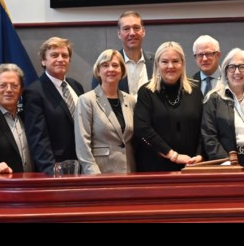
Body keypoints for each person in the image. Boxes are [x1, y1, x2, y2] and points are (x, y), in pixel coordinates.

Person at [134, 41, 204, 171]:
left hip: (190, 165)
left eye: (175, 61)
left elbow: (203, 128)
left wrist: (199, 155)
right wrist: (173, 155)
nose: (170, 66)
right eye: (164, 62)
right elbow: (142, 128)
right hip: (155, 167)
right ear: (157, 64)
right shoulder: (146, 92)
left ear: (183, 63)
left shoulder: (195, 92)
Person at [23, 37, 85, 173]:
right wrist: (51, 171)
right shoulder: (34, 92)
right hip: (57, 169)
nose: (60, 59)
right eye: (54, 55)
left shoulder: (76, 86)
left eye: (65, 55)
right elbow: (38, 137)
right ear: (43, 61)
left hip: (83, 165)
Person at [202, 48, 244, 168]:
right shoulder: (213, 99)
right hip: (225, 164)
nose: (237, 72)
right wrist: (227, 163)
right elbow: (209, 136)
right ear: (225, 72)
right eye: (232, 67)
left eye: (242, 67)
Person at [75, 49, 135, 175]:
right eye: (105, 65)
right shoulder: (86, 100)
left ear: (122, 71)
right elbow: (82, 144)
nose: (110, 69)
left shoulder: (130, 100)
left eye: (115, 65)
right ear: (98, 71)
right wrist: (94, 175)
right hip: (101, 174)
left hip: (129, 172)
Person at [117, 11, 155, 95]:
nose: (132, 33)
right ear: (119, 34)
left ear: (143, 31)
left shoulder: (157, 62)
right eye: (126, 29)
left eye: (136, 28)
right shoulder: (108, 65)